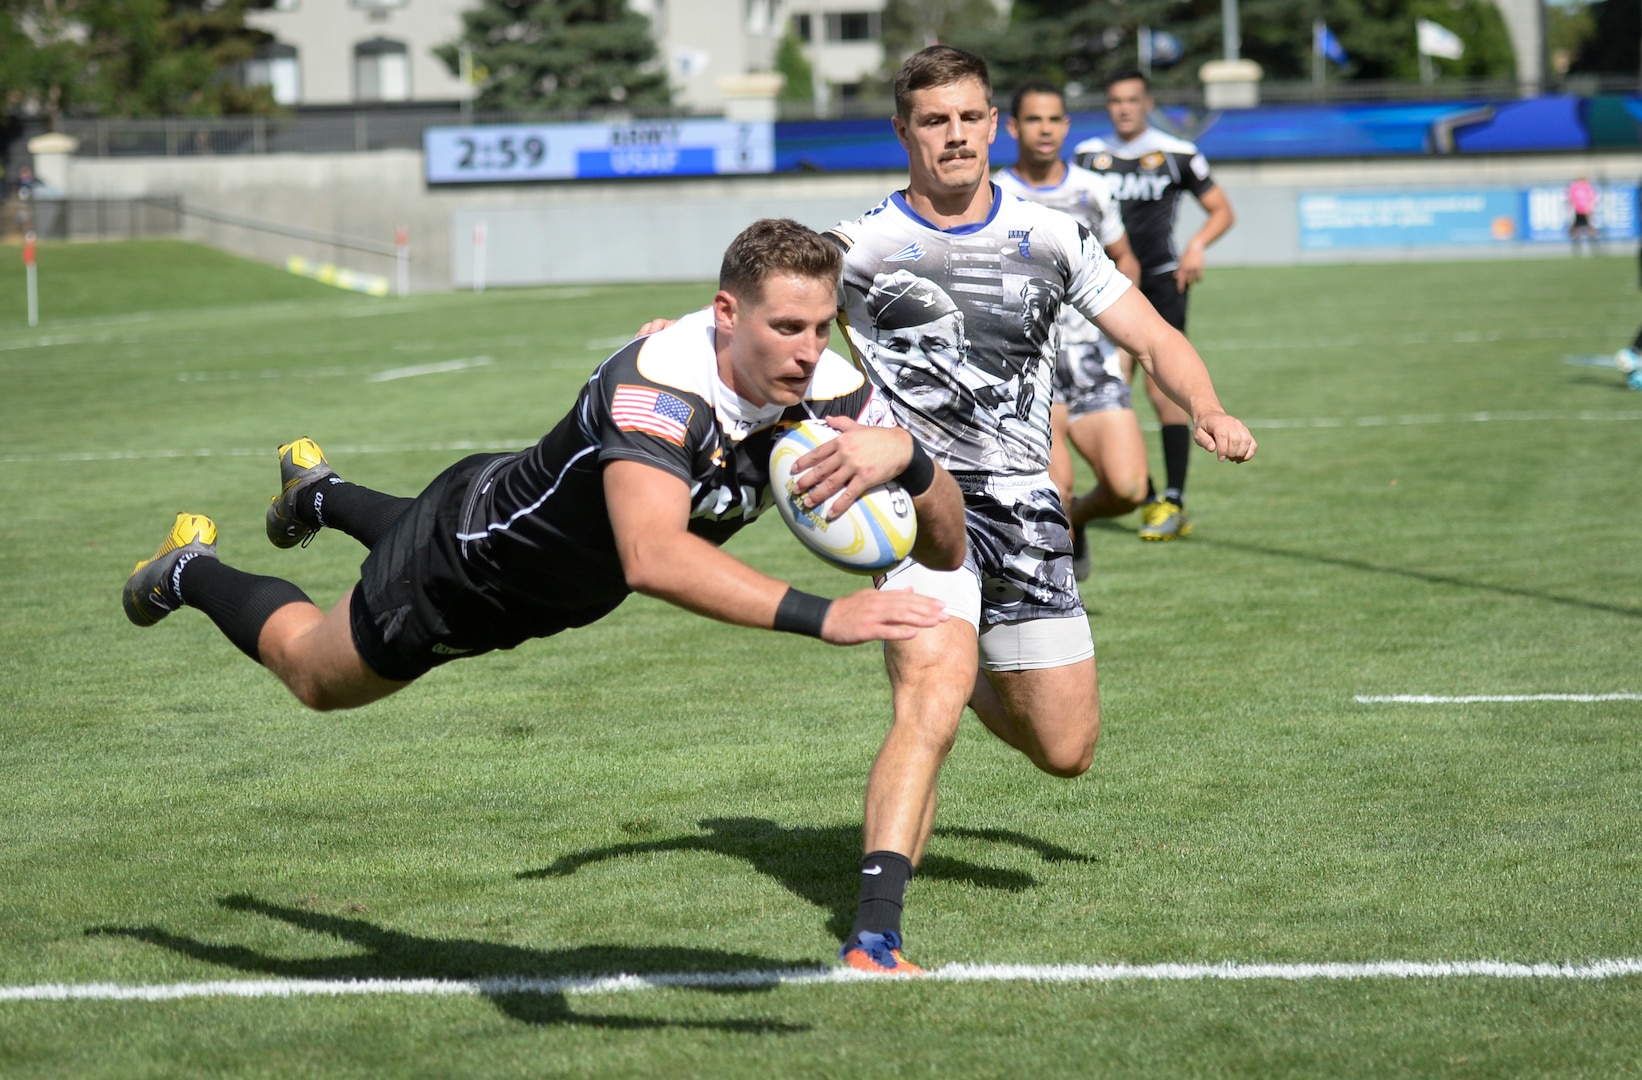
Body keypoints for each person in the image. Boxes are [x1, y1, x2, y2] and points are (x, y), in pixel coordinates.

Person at [122, 218, 968, 713]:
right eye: (787, 327)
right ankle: (189, 570)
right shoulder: (660, 388)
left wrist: (914, 458)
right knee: (315, 674)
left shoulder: (830, 387)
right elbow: (653, 556)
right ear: (726, 312)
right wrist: (825, 616)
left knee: (468, 530)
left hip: (546, 563)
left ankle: (319, 493)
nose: (808, 350)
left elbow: (947, 551)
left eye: (822, 327)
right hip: (467, 568)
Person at [826, 46, 1255, 975]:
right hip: (915, 506)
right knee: (924, 700)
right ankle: (873, 931)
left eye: (970, 117)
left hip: (1028, 508)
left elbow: (1151, 332)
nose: (955, 135)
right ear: (903, 131)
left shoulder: (1052, 234)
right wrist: (692, 335)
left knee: (1066, 750)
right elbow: (763, 316)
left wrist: (1206, 404)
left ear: (995, 126)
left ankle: (981, 673)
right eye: (934, 120)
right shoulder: (856, 248)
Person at [1073, 69, 1236, 541]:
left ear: (1147, 103)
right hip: (1103, 285)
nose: (1123, 108)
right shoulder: (1088, 156)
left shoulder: (1177, 153)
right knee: (1106, 388)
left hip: (1163, 282)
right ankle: (1142, 495)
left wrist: (1197, 245)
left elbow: (1222, 210)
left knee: (1162, 390)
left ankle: (1174, 500)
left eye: (1132, 99)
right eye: (1115, 100)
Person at [994, 79, 1146, 579]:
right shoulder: (994, 194)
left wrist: (1122, 348)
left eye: (1054, 119)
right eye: (1033, 119)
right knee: (1051, 493)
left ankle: (1076, 523)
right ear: (1013, 127)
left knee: (1129, 490)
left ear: (1067, 126)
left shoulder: (1092, 189)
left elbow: (1124, 260)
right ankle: (1055, 614)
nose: (1045, 129)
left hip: (1091, 358)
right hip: (1030, 364)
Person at [1567, 177, 1600, 256]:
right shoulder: (1576, 187)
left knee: (1589, 229)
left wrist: (1590, 207)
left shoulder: (1585, 187)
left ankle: (1594, 248)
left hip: (1585, 210)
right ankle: (1578, 249)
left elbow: (1592, 198)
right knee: (1576, 230)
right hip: (1578, 210)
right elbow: (1571, 198)